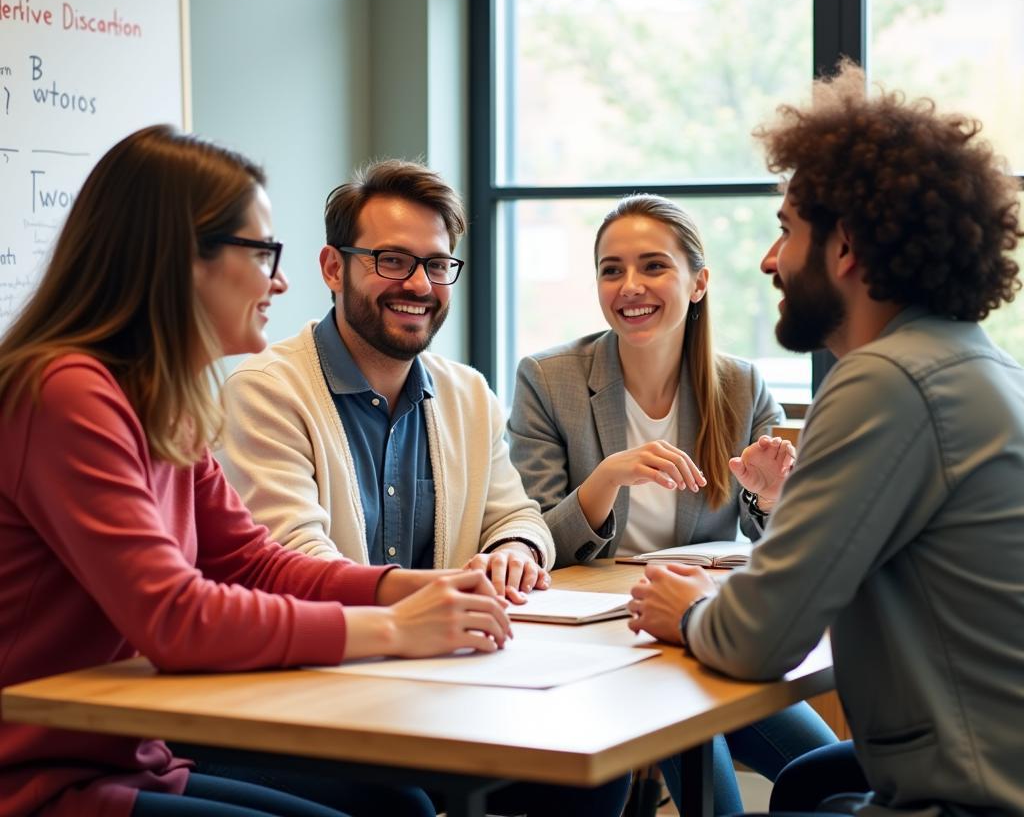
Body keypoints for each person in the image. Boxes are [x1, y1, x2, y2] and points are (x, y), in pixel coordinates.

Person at [0, 127, 516, 817]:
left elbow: (253, 563)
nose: (280, 280)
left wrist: (407, 588)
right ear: (181, 260)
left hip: (136, 755)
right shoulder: (65, 392)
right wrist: (396, 628)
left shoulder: (162, 398)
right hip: (39, 780)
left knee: (401, 806)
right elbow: (174, 616)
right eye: (262, 253)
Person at [628, 62, 1024, 815]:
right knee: (812, 781)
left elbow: (757, 639)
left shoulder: (886, 380)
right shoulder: (977, 362)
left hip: (974, 797)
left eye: (786, 231)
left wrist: (685, 610)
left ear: (845, 248)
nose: (770, 260)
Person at [218, 160, 628, 816]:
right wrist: (418, 607)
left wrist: (515, 554)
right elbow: (292, 563)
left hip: (436, 683)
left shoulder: (466, 391)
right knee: (400, 803)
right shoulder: (265, 391)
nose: (419, 284)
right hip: (314, 692)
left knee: (595, 773)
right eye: (391, 260)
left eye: (438, 265)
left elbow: (516, 516)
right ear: (333, 267)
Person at [507, 194, 835, 815]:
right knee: (705, 762)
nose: (630, 286)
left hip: (693, 630)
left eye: (653, 266)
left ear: (699, 282)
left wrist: (766, 498)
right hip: (594, 639)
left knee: (824, 772)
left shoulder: (741, 384)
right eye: (611, 269)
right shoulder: (548, 379)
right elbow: (529, 535)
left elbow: (775, 545)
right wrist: (606, 479)